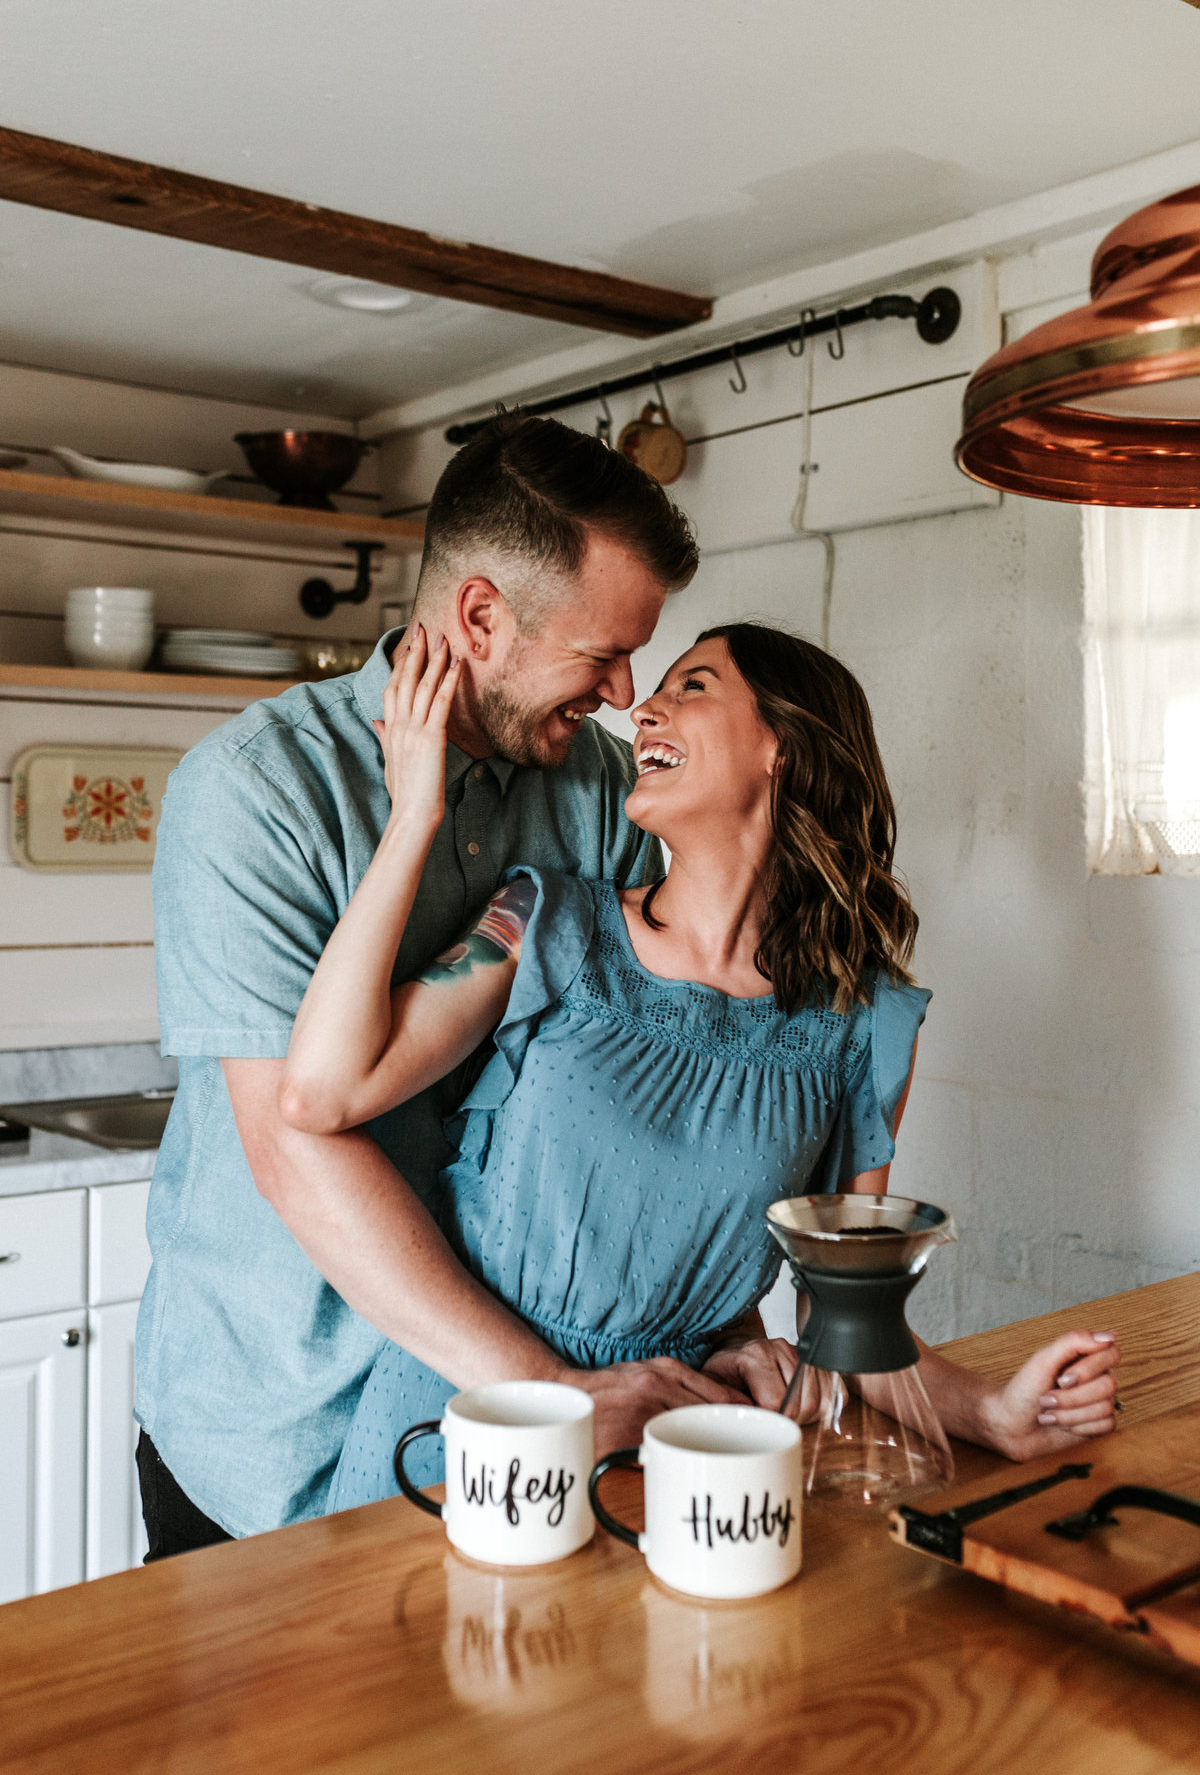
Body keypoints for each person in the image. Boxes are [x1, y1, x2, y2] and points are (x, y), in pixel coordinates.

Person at [281, 622, 1120, 1510]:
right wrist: (416, 814)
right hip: (468, 1417)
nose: (644, 709)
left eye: (693, 687)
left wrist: (996, 1412)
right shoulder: (545, 921)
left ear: (782, 749)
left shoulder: (861, 1025)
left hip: (681, 1443)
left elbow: (844, 1323)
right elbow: (323, 1090)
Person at [136, 414, 749, 1557]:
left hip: (508, 1433)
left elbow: (634, 1089)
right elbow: (296, 1147)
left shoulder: (605, 793)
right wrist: (553, 1393)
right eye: (600, 652)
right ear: (479, 618)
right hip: (268, 1434)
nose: (623, 692)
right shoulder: (254, 793)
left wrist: (727, 1327)